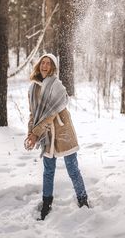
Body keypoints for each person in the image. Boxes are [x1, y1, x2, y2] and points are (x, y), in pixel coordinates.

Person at [24, 53, 89, 220]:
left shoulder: (57, 86)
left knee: (72, 169)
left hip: (63, 132)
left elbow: (50, 115)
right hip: (46, 134)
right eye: (42, 62)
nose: (45, 65)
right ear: (38, 65)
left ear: (53, 67)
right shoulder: (33, 88)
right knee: (48, 171)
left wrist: (35, 134)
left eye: (48, 63)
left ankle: (83, 200)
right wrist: (30, 134)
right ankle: (47, 203)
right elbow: (33, 114)